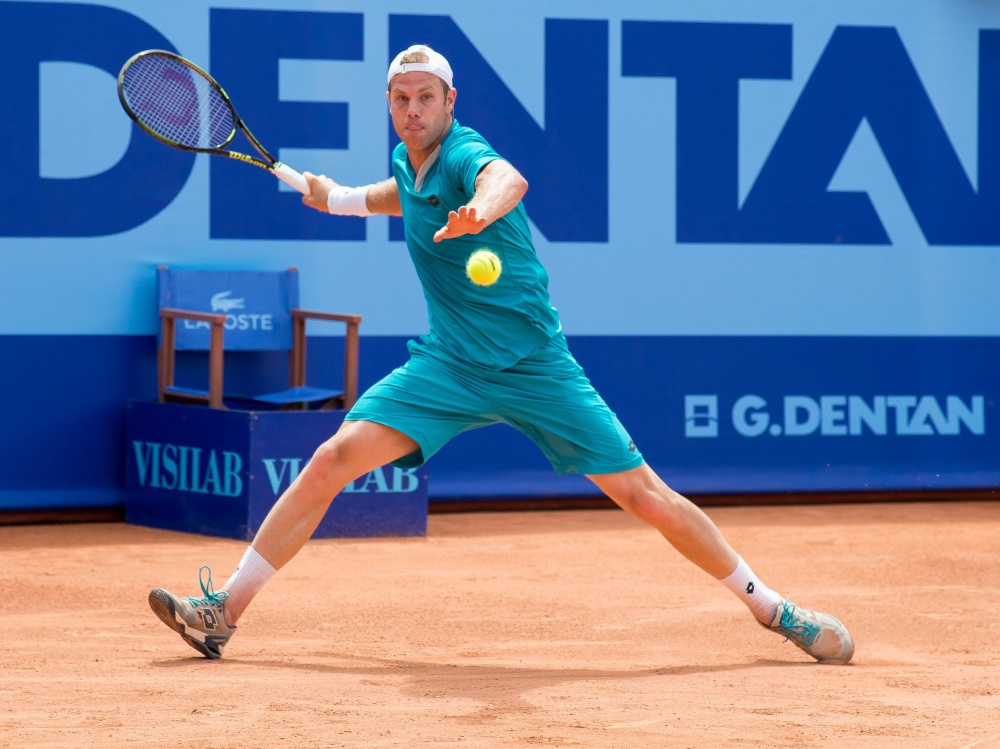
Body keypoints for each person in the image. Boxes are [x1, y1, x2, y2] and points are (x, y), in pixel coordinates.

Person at [148, 44, 855, 664]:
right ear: (389, 105)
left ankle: (774, 609)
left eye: (427, 97)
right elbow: (374, 197)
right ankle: (223, 614)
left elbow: (506, 179)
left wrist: (483, 209)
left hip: (535, 367)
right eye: (401, 98)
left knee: (646, 495)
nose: (413, 109)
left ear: (450, 102)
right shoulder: (410, 163)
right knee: (332, 458)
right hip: (449, 366)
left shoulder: (462, 156)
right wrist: (316, 190)